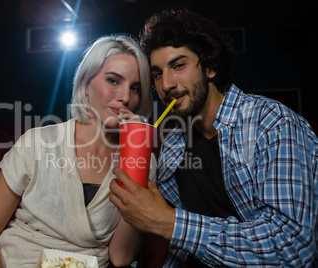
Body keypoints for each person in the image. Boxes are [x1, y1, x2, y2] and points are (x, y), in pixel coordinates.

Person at [109, 8, 318, 267]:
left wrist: (169, 222)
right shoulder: (174, 143)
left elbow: (293, 249)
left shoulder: (271, 123)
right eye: (158, 73)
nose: (166, 84)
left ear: (209, 67)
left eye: (178, 65)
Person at [0, 34, 156, 268]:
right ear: (86, 84)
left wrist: (137, 162)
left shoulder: (144, 162)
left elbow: (121, 257)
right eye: (113, 81)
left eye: (134, 87)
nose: (125, 97)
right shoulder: (35, 144)